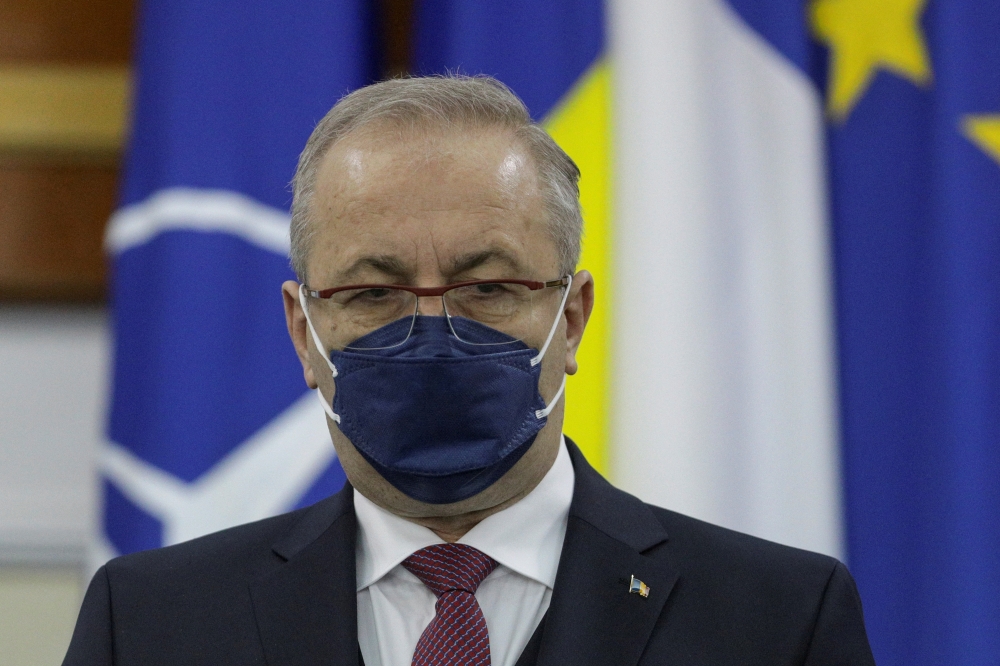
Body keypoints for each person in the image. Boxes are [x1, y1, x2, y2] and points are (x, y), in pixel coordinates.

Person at [63, 75, 875, 666]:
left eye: (488, 286)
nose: (432, 332)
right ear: (304, 334)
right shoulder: (147, 625)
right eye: (374, 292)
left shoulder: (779, 622)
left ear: (572, 318)